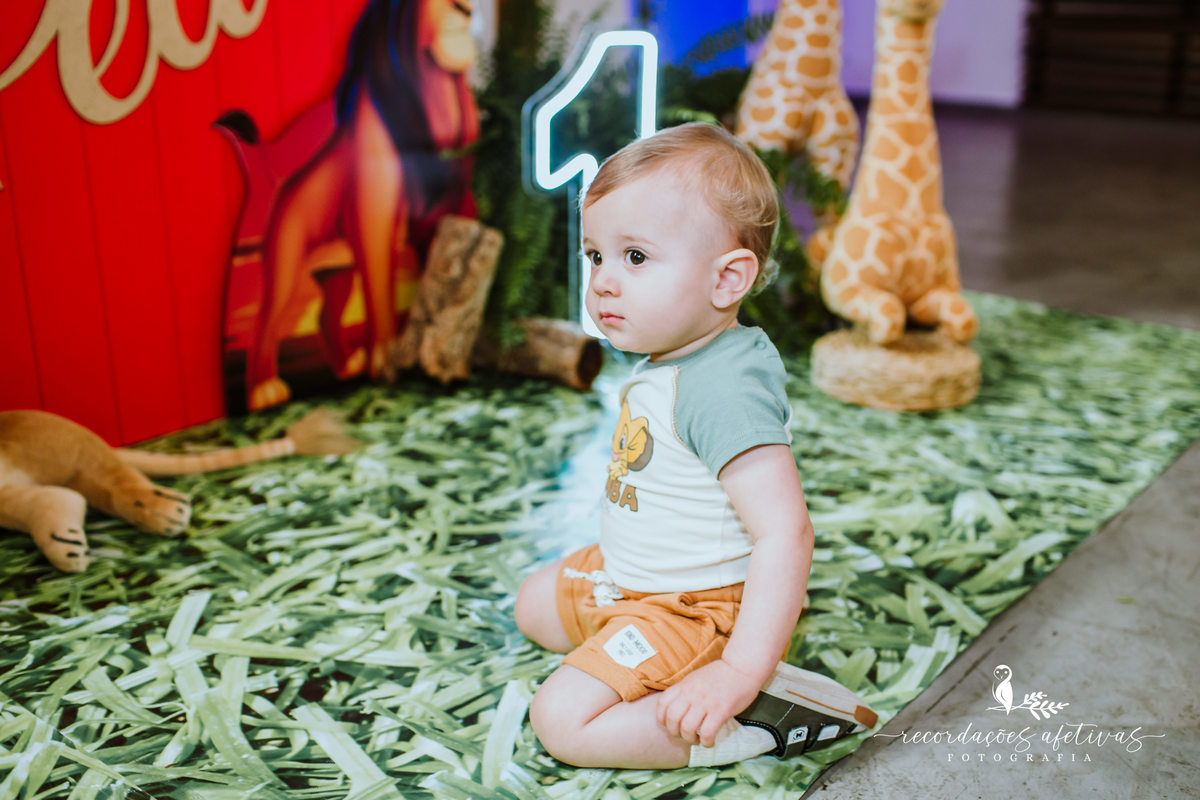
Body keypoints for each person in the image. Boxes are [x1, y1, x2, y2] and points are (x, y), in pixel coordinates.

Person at [514, 122, 875, 770]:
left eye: (635, 257)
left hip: (692, 606)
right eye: (595, 256)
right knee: (533, 606)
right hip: (632, 578)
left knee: (562, 722)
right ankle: (648, 660)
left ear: (727, 279)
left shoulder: (723, 391)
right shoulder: (680, 352)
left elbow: (785, 533)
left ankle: (746, 717)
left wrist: (737, 669)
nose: (603, 281)